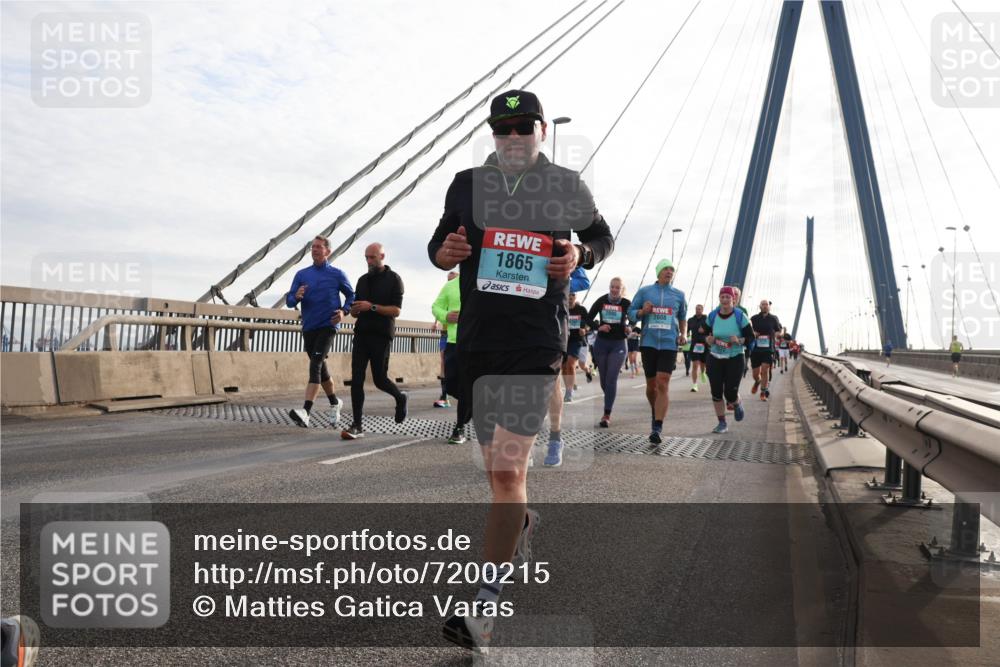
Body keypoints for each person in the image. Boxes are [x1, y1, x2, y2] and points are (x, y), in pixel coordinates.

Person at [428, 88, 614, 652]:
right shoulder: (466, 183)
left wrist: (582, 256)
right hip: (479, 343)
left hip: (534, 342)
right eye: (501, 129)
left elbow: (601, 236)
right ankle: (521, 526)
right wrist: (447, 253)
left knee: (508, 476)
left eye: (522, 128)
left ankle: (482, 610)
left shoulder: (565, 184)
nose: (512, 138)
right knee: (498, 478)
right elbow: (438, 246)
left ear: (541, 131)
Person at [286, 235, 354, 428]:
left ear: (327, 251)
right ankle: (334, 402)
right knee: (321, 367)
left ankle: (306, 411)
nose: (314, 250)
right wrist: (296, 296)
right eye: (312, 247)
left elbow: (351, 295)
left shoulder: (337, 274)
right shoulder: (301, 274)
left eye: (318, 247)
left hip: (328, 325)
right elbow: (290, 300)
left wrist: (343, 311)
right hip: (309, 327)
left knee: (315, 364)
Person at [342, 243, 407, 439]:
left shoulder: (394, 279)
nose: (369, 261)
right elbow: (355, 311)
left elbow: (396, 310)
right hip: (361, 334)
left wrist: (371, 307)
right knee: (357, 380)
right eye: (366, 258)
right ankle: (357, 425)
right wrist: (354, 310)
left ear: (382, 256)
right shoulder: (362, 280)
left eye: (372, 257)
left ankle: (400, 397)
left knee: (379, 380)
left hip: (381, 335)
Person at [629, 259, 687, 444]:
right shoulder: (645, 291)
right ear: (659, 272)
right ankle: (655, 412)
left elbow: (683, 317)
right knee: (651, 386)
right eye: (666, 269)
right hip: (649, 343)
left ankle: (657, 427)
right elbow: (630, 312)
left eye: (672, 270)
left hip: (669, 343)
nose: (669, 272)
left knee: (663, 383)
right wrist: (642, 312)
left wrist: (683, 334)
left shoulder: (679, 295)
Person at [544, 270, 592, 467]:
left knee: (552, 381)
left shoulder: (556, 251)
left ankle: (555, 439)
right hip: (519, 324)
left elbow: (582, 281)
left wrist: (570, 258)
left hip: (552, 327)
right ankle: (524, 441)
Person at [705, 287, 754, 433]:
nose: (725, 300)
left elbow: (751, 338)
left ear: (733, 300)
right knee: (716, 392)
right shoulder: (713, 315)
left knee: (730, 393)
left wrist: (739, 340)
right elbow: (703, 332)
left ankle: (737, 403)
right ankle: (722, 423)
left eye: (728, 297)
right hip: (715, 357)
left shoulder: (740, 316)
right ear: (719, 299)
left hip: (735, 357)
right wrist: (708, 339)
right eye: (722, 297)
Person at [587, 277, 632, 428]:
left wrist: (629, 327)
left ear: (621, 289)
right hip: (601, 344)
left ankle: (606, 414)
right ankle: (610, 398)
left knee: (611, 379)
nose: (614, 290)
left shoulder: (626, 303)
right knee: (604, 380)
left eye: (617, 288)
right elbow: (587, 318)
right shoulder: (601, 301)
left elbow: (633, 319)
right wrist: (598, 327)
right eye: (612, 287)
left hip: (618, 344)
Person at [432, 271, 471, 443]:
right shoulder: (451, 285)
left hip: (476, 342)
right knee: (451, 384)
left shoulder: (485, 283)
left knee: (465, 386)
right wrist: (445, 316)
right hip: (454, 342)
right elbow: (436, 306)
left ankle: (459, 428)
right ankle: (472, 405)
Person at [433, 272, 459, 408]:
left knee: (449, 365)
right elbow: (439, 307)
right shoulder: (447, 290)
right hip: (445, 333)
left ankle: (447, 395)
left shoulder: (459, 291)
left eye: (451, 279)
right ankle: (444, 396)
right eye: (447, 279)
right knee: (443, 363)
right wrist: (436, 322)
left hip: (456, 334)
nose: (448, 282)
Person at [750, 300, 781, 401]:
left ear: (769, 307)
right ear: (759, 306)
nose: (764, 306)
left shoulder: (773, 318)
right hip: (756, 349)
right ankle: (757, 381)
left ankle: (763, 392)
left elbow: (779, 330)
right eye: (763, 304)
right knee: (756, 374)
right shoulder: (754, 318)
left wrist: (777, 334)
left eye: (766, 304)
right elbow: (748, 330)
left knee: (765, 370)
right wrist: (753, 333)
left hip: (768, 349)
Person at [687, 304, 708, 391]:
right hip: (694, 345)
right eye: (696, 309)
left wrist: (705, 330)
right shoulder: (691, 320)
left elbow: (712, 330)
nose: (697, 310)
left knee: (703, 364)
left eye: (699, 309)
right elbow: (686, 330)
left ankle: (703, 372)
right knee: (695, 365)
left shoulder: (707, 319)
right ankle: (695, 385)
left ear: (702, 310)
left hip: (704, 344)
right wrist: (686, 334)